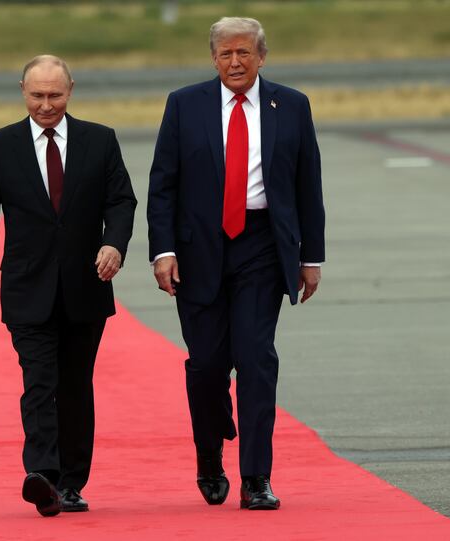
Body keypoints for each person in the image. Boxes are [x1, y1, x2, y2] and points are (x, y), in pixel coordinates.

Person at [147, 17, 325, 510]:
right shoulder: (185, 105)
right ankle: (209, 457)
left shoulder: (291, 106)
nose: (235, 62)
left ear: (261, 57)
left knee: (255, 358)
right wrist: (163, 251)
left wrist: (311, 257)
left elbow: (309, 185)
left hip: (263, 247)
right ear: (213, 58)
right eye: (225, 54)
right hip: (198, 249)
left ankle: (256, 478)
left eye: (244, 53)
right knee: (206, 367)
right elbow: (163, 184)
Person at [0, 55, 137, 516]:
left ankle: (74, 482)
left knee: (76, 386)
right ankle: (43, 475)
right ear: (22, 90)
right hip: (26, 287)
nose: (46, 104)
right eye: (37, 95)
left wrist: (114, 245)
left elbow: (122, 201)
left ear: (71, 90)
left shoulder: (100, 141)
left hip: (86, 286)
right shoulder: (0, 145)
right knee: (38, 382)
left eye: (55, 95)